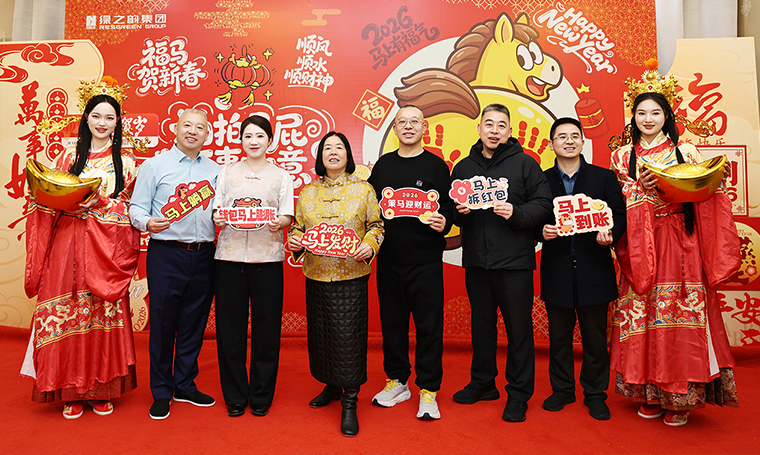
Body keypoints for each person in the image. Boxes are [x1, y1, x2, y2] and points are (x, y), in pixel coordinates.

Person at [610, 66, 740, 426]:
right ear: (633, 117)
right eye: (641, 113)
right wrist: (638, 189)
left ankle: (681, 395)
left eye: (655, 113)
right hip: (641, 244)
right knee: (643, 315)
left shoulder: (687, 151)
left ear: (667, 116)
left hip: (681, 243)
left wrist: (715, 181)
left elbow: (704, 191)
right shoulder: (622, 156)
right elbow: (618, 199)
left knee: (681, 317)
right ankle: (648, 391)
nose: (648, 119)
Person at [21, 81, 140, 419]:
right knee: (67, 312)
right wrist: (49, 198)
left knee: (101, 315)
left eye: (110, 118)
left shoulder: (127, 164)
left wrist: (100, 204)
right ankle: (69, 390)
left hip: (105, 251)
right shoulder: (67, 157)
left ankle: (101, 389)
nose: (103, 123)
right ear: (86, 118)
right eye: (97, 116)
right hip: (66, 246)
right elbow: (47, 199)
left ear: (117, 123)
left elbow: (132, 211)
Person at [450, 103, 552, 423]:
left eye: (501, 125)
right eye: (489, 124)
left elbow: (544, 205)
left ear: (509, 131)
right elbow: (453, 213)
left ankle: (518, 394)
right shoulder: (464, 168)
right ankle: (483, 383)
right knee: (481, 327)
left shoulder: (525, 164)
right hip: (477, 263)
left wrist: (516, 213)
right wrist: (459, 213)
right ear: (479, 129)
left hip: (514, 263)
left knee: (518, 330)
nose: (494, 130)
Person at [288, 132, 384, 437]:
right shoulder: (308, 192)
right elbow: (298, 228)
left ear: (347, 155)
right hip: (316, 274)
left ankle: (350, 400)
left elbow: (376, 226)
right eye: (327, 148)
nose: (333, 152)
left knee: (348, 338)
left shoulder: (364, 189)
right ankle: (330, 385)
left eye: (338, 147)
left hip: (350, 275)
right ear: (320, 156)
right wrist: (295, 241)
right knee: (322, 335)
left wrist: (370, 245)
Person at [129, 108, 221, 420]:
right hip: (166, 253)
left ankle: (184, 384)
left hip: (205, 254)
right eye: (187, 125)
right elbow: (136, 207)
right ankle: (161, 390)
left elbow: (221, 209)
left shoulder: (216, 170)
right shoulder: (154, 166)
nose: (193, 131)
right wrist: (146, 222)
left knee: (194, 323)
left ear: (207, 134)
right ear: (176, 129)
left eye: (200, 127)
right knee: (163, 324)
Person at [366, 105, 454, 420]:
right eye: (402, 121)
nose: (408, 126)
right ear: (394, 128)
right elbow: (369, 209)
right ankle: (397, 381)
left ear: (424, 127)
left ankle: (428, 389)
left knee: (429, 327)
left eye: (414, 121)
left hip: (426, 261)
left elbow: (450, 208)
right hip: (389, 260)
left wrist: (445, 221)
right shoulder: (383, 166)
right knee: (393, 325)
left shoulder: (437, 166)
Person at [537, 117, 626, 421]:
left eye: (575, 135)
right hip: (556, 270)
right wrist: (541, 232)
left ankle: (595, 393)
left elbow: (619, 215)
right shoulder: (541, 180)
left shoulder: (604, 178)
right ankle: (562, 390)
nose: (569, 141)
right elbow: (533, 216)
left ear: (583, 142)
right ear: (552, 144)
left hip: (594, 269)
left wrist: (611, 233)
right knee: (559, 338)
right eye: (562, 136)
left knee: (595, 339)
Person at [212, 115, 294, 418]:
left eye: (260, 136)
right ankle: (235, 395)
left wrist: (279, 222)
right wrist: (218, 218)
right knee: (229, 331)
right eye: (248, 136)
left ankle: (261, 394)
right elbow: (216, 210)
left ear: (270, 141)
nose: (254, 141)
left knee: (267, 330)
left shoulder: (281, 176)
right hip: (229, 260)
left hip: (267, 260)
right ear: (241, 140)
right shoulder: (227, 173)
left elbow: (287, 214)